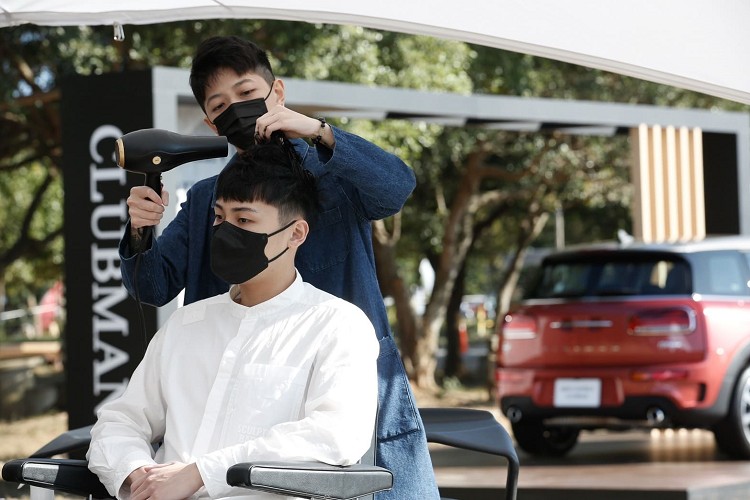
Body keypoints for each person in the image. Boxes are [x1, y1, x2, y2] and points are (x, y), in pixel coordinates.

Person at [119, 36, 440, 498]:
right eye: (220, 105)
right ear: (211, 123)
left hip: (342, 391)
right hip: (244, 401)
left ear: (278, 92)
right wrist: (140, 229)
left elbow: (396, 187)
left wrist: (319, 131)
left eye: (248, 92)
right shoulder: (208, 201)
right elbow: (152, 286)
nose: (237, 109)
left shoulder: (336, 178)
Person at [89, 140, 379, 500]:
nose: (226, 231)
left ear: (296, 233)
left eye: (244, 220)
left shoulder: (337, 326)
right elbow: (121, 421)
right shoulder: (186, 324)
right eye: (219, 218)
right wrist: (138, 474)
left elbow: (336, 435)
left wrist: (201, 473)